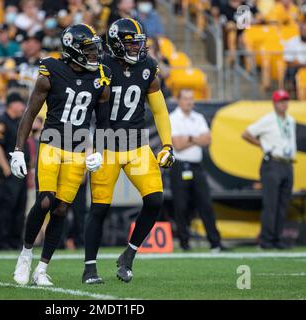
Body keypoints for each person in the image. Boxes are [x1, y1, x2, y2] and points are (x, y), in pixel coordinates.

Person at [10, 23, 111, 286]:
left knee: (62, 208)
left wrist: (99, 151)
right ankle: (25, 254)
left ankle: (42, 268)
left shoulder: (101, 76)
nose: (94, 55)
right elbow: (30, 113)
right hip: (52, 141)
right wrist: (18, 150)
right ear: (73, 49)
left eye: (94, 49)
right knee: (45, 201)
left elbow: (103, 122)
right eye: (88, 50)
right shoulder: (51, 71)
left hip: (77, 147)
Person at [83, 18, 175, 284]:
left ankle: (129, 255)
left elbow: (159, 110)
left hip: (136, 144)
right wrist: (87, 144)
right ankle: (90, 268)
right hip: (106, 146)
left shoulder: (148, 67)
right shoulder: (100, 67)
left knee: (155, 200)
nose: (137, 48)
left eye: (138, 43)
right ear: (116, 44)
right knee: (99, 209)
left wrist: (167, 144)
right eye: (131, 43)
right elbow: (84, 107)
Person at [169, 89, 225, 252]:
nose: (189, 102)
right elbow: (177, 145)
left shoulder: (198, 117)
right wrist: (196, 138)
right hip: (179, 165)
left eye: (191, 99)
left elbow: (208, 139)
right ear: (179, 100)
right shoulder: (173, 118)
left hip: (196, 165)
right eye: (185, 99)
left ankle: (215, 243)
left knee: (205, 204)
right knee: (181, 206)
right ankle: (184, 242)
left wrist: (188, 138)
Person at [242, 89, 297, 249]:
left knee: (283, 204)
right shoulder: (268, 119)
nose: (284, 103)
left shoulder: (290, 120)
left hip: (288, 163)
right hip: (272, 163)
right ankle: (266, 240)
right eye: (281, 101)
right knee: (271, 204)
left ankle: (277, 239)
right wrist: (263, 145)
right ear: (274, 103)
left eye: (286, 100)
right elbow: (246, 133)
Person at [0, 92, 30, 250]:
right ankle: (1, 241)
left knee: (20, 208)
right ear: (12, 104)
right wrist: (6, 168)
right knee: (6, 207)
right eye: (20, 103)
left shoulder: (18, 122)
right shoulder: (2, 122)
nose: (22, 107)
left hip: (21, 173)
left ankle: (15, 240)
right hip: (10, 173)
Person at [283, 22, 306, 96]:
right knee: (290, 70)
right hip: (297, 68)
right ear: (300, 30)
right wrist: (305, 64)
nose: (305, 32)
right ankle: (292, 95)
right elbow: (288, 61)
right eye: (304, 30)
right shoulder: (292, 42)